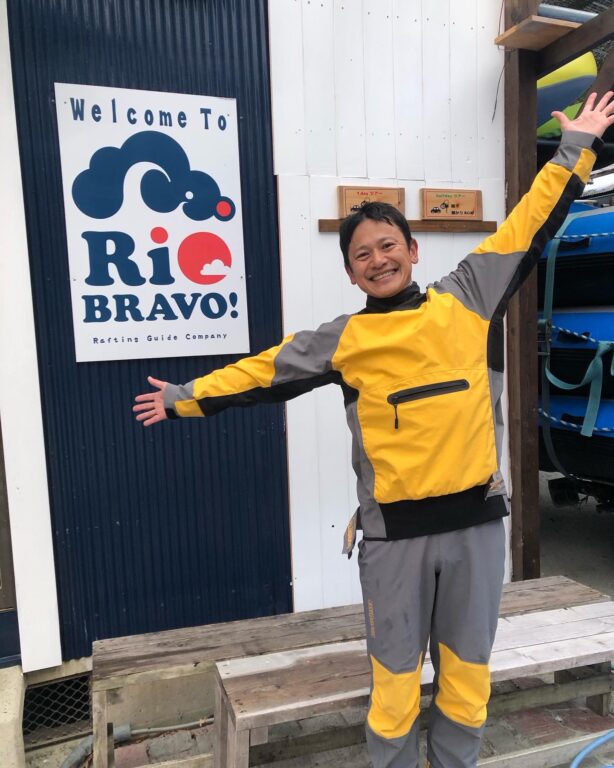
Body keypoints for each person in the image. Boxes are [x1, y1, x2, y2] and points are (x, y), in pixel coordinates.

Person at [134, 93, 614, 768]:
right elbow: (260, 372)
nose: (378, 259)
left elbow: (530, 222)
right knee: (393, 691)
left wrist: (576, 147)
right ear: (350, 270)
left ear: (413, 250)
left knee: (466, 682)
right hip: (394, 541)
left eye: (388, 245)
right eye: (362, 253)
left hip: (476, 529)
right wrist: (183, 398)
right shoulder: (345, 340)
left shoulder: (469, 296)